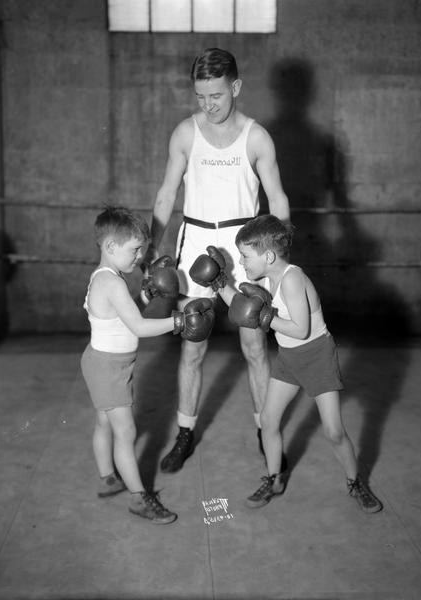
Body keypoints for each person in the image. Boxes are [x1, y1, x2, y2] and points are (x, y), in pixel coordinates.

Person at [143, 47, 290, 473]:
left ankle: (267, 431)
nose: (208, 106)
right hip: (195, 243)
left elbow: (278, 199)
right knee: (193, 342)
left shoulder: (257, 137)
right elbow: (166, 195)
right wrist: (154, 248)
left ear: (236, 88)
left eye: (217, 97)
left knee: (254, 345)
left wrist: (277, 260)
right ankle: (185, 432)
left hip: (246, 245)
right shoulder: (185, 134)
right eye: (201, 97)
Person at [216, 214, 383, 513]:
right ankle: (274, 477)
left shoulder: (293, 279)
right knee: (268, 421)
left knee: (333, 431)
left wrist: (266, 317)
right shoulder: (269, 276)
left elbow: (300, 329)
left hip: (317, 356)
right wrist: (219, 283)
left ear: (268, 256)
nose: (241, 262)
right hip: (289, 359)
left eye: (244, 256)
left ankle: (355, 482)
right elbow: (245, 309)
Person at [80, 206, 215, 524]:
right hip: (108, 368)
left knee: (105, 423)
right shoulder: (111, 283)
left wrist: (148, 294)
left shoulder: (107, 277)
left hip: (102, 361)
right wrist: (179, 320)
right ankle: (139, 498)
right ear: (111, 247)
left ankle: (108, 478)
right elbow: (139, 328)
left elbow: (122, 318)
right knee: (125, 432)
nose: (140, 256)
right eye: (135, 249)